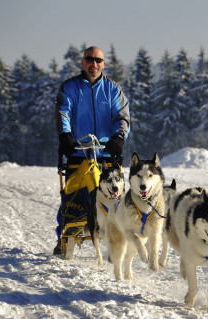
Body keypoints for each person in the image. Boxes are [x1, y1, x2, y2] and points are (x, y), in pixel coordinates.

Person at [53, 46, 130, 255]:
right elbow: (63, 114)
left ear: (103, 64)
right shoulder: (70, 88)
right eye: (89, 59)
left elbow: (122, 117)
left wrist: (118, 138)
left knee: (114, 199)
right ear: (82, 62)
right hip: (78, 153)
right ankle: (66, 233)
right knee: (73, 197)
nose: (93, 64)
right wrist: (65, 136)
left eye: (97, 60)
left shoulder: (113, 89)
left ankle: (118, 239)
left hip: (106, 155)